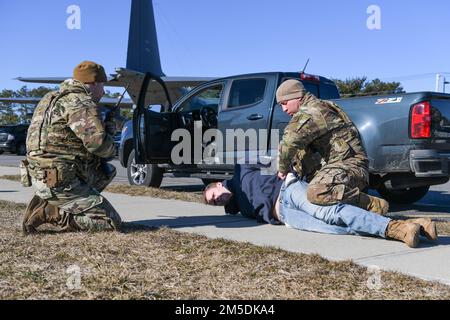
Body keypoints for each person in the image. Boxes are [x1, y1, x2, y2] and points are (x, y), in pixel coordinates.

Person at [203, 164, 438, 248]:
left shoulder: (241, 170)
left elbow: (276, 161)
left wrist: (289, 174)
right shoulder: (235, 207)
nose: (216, 200)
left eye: (214, 194)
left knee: (332, 212)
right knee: (337, 228)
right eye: (213, 203)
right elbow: (228, 208)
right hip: (286, 216)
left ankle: (397, 229)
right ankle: (413, 225)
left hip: (289, 191)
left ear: (218, 183)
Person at [21, 61, 122, 233]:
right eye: (102, 85)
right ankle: (54, 213)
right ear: (93, 82)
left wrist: (104, 128)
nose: (103, 92)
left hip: (41, 173)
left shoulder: (50, 97)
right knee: (110, 223)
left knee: (106, 171)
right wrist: (111, 142)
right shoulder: (81, 101)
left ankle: (51, 202)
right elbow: (98, 146)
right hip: (61, 177)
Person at [276, 79, 388, 215]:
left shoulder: (311, 112)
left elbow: (288, 143)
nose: (284, 109)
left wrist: (282, 169)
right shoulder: (321, 106)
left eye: (285, 103)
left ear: (297, 97)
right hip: (342, 169)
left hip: (350, 167)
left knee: (316, 192)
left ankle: (373, 205)